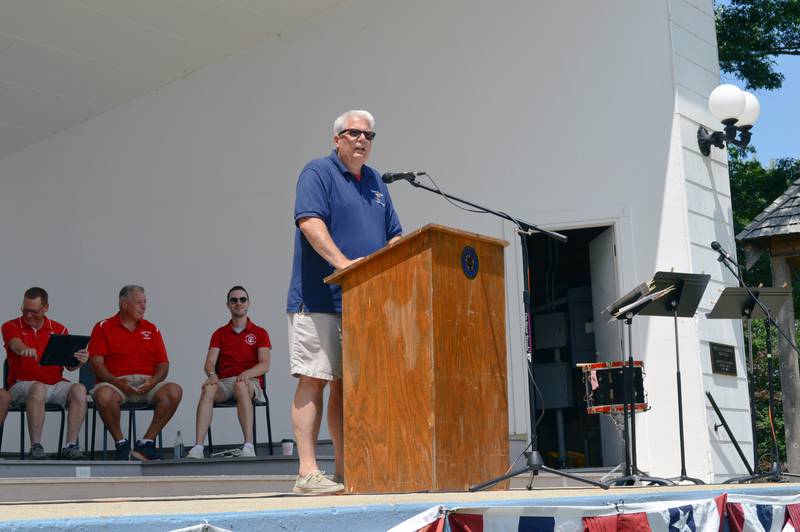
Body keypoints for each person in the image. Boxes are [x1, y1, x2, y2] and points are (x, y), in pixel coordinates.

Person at [286, 110, 403, 494]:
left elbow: (393, 237)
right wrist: (343, 266)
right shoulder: (317, 172)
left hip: (363, 304)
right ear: (337, 138)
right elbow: (309, 222)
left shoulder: (375, 182)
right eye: (354, 133)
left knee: (346, 387)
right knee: (315, 379)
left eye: (369, 135)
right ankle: (307, 472)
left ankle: (343, 470)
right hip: (319, 298)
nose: (362, 140)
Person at [87, 285, 182, 461]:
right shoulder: (103, 327)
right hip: (116, 383)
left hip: (147, 383)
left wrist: (153, 381)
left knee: (174, 391)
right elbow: (95, 363)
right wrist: (117, 382)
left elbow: (163, 364)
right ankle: (121, 444)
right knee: (104, 395)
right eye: (139, 302)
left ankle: (146, 442)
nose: (144, 307)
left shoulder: (152, 328)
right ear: (124, 304)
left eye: (145, 302)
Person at [1, 287, 89, 460]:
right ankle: (36, 447)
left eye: (33, 311)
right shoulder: (11, 325)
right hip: (21, 385)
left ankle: (70, 446)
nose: (28, 315)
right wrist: (23, 349)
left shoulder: (59, 329)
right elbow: (15, 343)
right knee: (38, 387)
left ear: (45, 308)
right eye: (25, 310)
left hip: (55, 384)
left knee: (80, 389)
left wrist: (80, 360)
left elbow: (70, 366)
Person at [187, 286, 271, 459]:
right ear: (228, 305)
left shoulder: (260, 332)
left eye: (242, 300)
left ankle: (248, 445)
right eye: (234, 300)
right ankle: (198, 447)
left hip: (250, 382)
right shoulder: (219, 333)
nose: (238, 303)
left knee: (240, 386)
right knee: (208, 388)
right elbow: (210, 362)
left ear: (248, 303)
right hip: (225, 383)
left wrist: (248, 373)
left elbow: (264, 364)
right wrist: (212, 375)